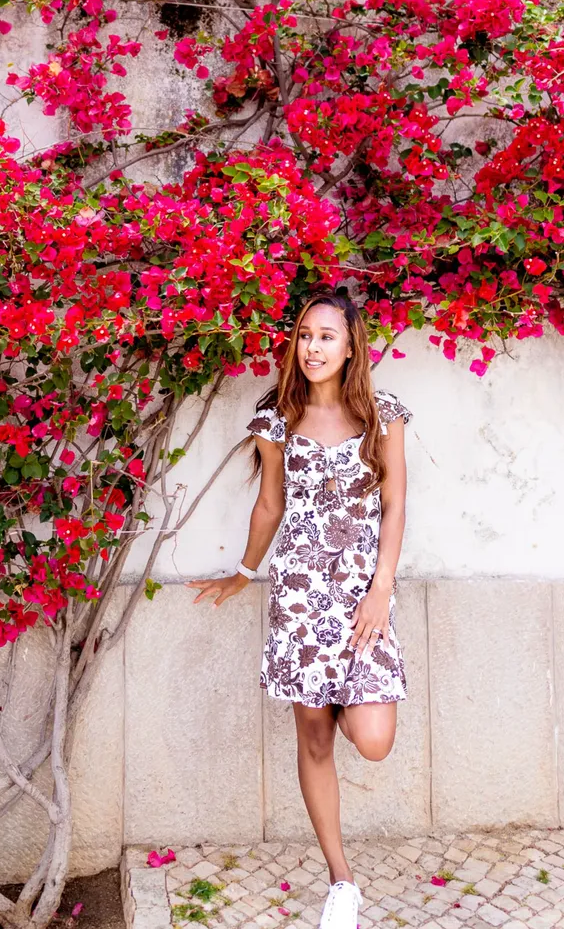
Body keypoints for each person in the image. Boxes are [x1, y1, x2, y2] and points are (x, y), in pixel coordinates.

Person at [187, 287, 412, 929]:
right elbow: (269, 507)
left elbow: (395, 505)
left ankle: (347, 696)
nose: (313, 348)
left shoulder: (384, 416)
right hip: (300, 600)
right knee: (313, 738)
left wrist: (382, 585)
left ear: (350, 345)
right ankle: (342, 883)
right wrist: (243, 572)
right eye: (305, 335)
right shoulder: (274, 420)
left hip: (363, 598)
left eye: (326, 336)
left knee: (371, 739)